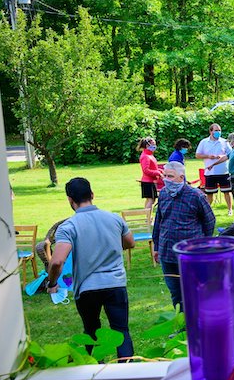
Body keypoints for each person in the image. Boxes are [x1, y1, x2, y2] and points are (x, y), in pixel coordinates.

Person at [48, 177, 135, 359]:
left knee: (91, 331)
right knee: (121, 331)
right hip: (115, 284)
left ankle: (93, 374)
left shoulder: (68, 226)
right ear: (92, 195)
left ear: (70, 200)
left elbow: (56, 262)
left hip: (87, 287)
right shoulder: (114, 218)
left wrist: (52, 282)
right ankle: (129, 373)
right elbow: (129, 243)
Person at [151, 162, 216, 309]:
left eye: (170, 176)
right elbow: (158, 221)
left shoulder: (195, 196)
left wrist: (202, 244)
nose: (166, 179)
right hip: (166, 252)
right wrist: (156, 246)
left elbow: (209, 221)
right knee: (175, 292)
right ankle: (182, 326)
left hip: (190, 254)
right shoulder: (164, 194)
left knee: (194, 290)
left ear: (181, 177)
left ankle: (199, 324)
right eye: (165, 176)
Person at [195, 123, 232, 214]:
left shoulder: (224, 142)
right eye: (216, 130)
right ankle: (207, 211)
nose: (218, 132)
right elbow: (197, 155)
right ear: (210, 131)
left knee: (227, 192)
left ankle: (230, 209)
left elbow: (231, 154)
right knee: (209, 193)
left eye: (219, 130)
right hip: (209, 172)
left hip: (223, 171)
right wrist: (208, 156)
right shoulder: (204, 142)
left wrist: (221, 156)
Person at [137, 137, 163, 218]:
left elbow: (153, 167)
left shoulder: (150, 155)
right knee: (150, 200)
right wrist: (158, 172)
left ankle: (148, 217)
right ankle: (148, 218)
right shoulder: (145, 156)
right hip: (148, 181)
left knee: (151, 200)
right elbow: (146, 170)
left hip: (152, 181)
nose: (155, 146)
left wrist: (161, 171)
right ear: (147, 145)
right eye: (153, 144)